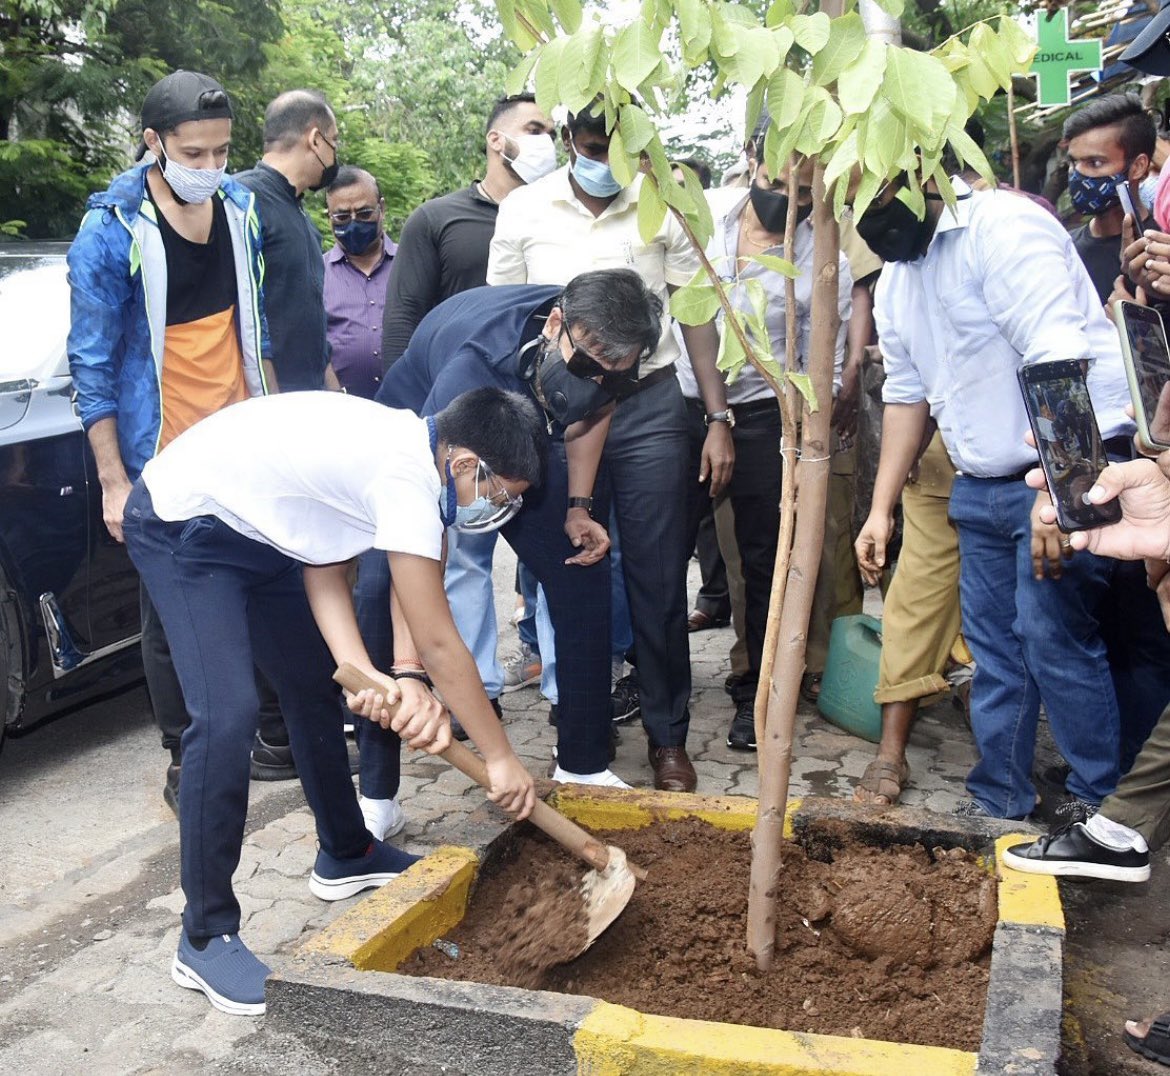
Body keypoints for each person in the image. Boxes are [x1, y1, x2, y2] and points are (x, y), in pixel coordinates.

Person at [122, 387, 542, 1016]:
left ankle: (346, 852)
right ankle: (204, 935)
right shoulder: (404, 473)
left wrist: (363, 675)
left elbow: (324, 567)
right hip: (185, 525)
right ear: (464, 464)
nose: (498, 507)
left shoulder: (413, 456)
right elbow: (438, 639)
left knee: (314, 685)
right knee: (229, 715)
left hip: (265, 540)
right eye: (500, 492)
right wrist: (501, 757)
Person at [853, 169, 1135, 821]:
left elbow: (1058, 354)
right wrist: (879, 507)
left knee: (1054, 639)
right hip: (978, 487)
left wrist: (1058, 498)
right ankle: (999, 798)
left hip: (1062, 468)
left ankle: (1100, 808)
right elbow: (904, 394)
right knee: (995, 653)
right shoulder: (900, 278)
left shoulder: (1002, 227)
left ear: (922, 170)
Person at [487, 100, 735, 791]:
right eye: (592, 146)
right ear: (571, 140)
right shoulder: (524, 211)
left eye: (617, 148)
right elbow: (510, 322)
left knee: (657, 576)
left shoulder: (666, 203)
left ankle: (668, 738)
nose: (604, 162)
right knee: (576, 568)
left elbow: (695, 316)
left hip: (648, 404)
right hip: (561, 407)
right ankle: (583, 732)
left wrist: (718, 417)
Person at [360, 269, 662, 798]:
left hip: (528, 425)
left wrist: (577, 507)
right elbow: (426, 526)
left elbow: (596, 413)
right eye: (589, 368)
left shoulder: (602, 359)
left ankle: (583, 763)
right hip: (431, 424)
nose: (599, 382)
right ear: (556, 325)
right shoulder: (472, 368)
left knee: (580, 565)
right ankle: (377, 796)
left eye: (616, 375)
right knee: (387, 584)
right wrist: (413, 664)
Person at [66, 70, 269, 817]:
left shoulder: (238, 208)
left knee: (259, 585)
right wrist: (115, 482)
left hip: (239, 438)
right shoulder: (111, 230)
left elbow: (253, 331)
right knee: (168, 612)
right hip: (163, 454)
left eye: (222, 153)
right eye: (195, 153)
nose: (212, 169)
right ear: (153, 144)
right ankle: (186, 756)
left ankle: (268, 737)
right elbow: (90, 364)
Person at [682, 137, 851, 751]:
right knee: (658, 549)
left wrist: (809, 435)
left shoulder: (821, 249)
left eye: (805, 194)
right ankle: (660, 697)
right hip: (686, 405)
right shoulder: (700, 220)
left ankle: (756, 688)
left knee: (761, 558)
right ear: (753, 161)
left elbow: (823, 357)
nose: (789, 201)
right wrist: (711, 417)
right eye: (778, 185)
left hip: (765, 412)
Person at [380, 93, 556, 367]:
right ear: (495, 139)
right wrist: (400, 402)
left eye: (552, 136)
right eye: (534, 131)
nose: (546, 143)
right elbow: (403, 318)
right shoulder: (436, 219)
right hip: (457, 387)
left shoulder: (560, 217)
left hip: (549, 392)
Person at [234, 89, 339, 394]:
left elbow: (309, 316)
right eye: (334, 140)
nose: (335, 153)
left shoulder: (297, 210)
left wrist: (334, 392)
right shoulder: (243, 200)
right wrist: (271, 407)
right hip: (269, 401)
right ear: (316, 139)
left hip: (309, 396)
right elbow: (247, 319)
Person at [1063, 94, 1154, 306]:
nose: (1077, 174)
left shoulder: (1160, 252)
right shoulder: (1063, 246)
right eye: (1073, 162)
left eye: (1094, 163)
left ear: (1138, 166)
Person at [323, 166, 397, 399]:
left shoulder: (411, 266)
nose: (354, 224)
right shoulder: (316, 273)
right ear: (330, 218)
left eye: (364, 214)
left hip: (409, 408)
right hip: (342, 413)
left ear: (381, 209)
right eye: (343, 217)